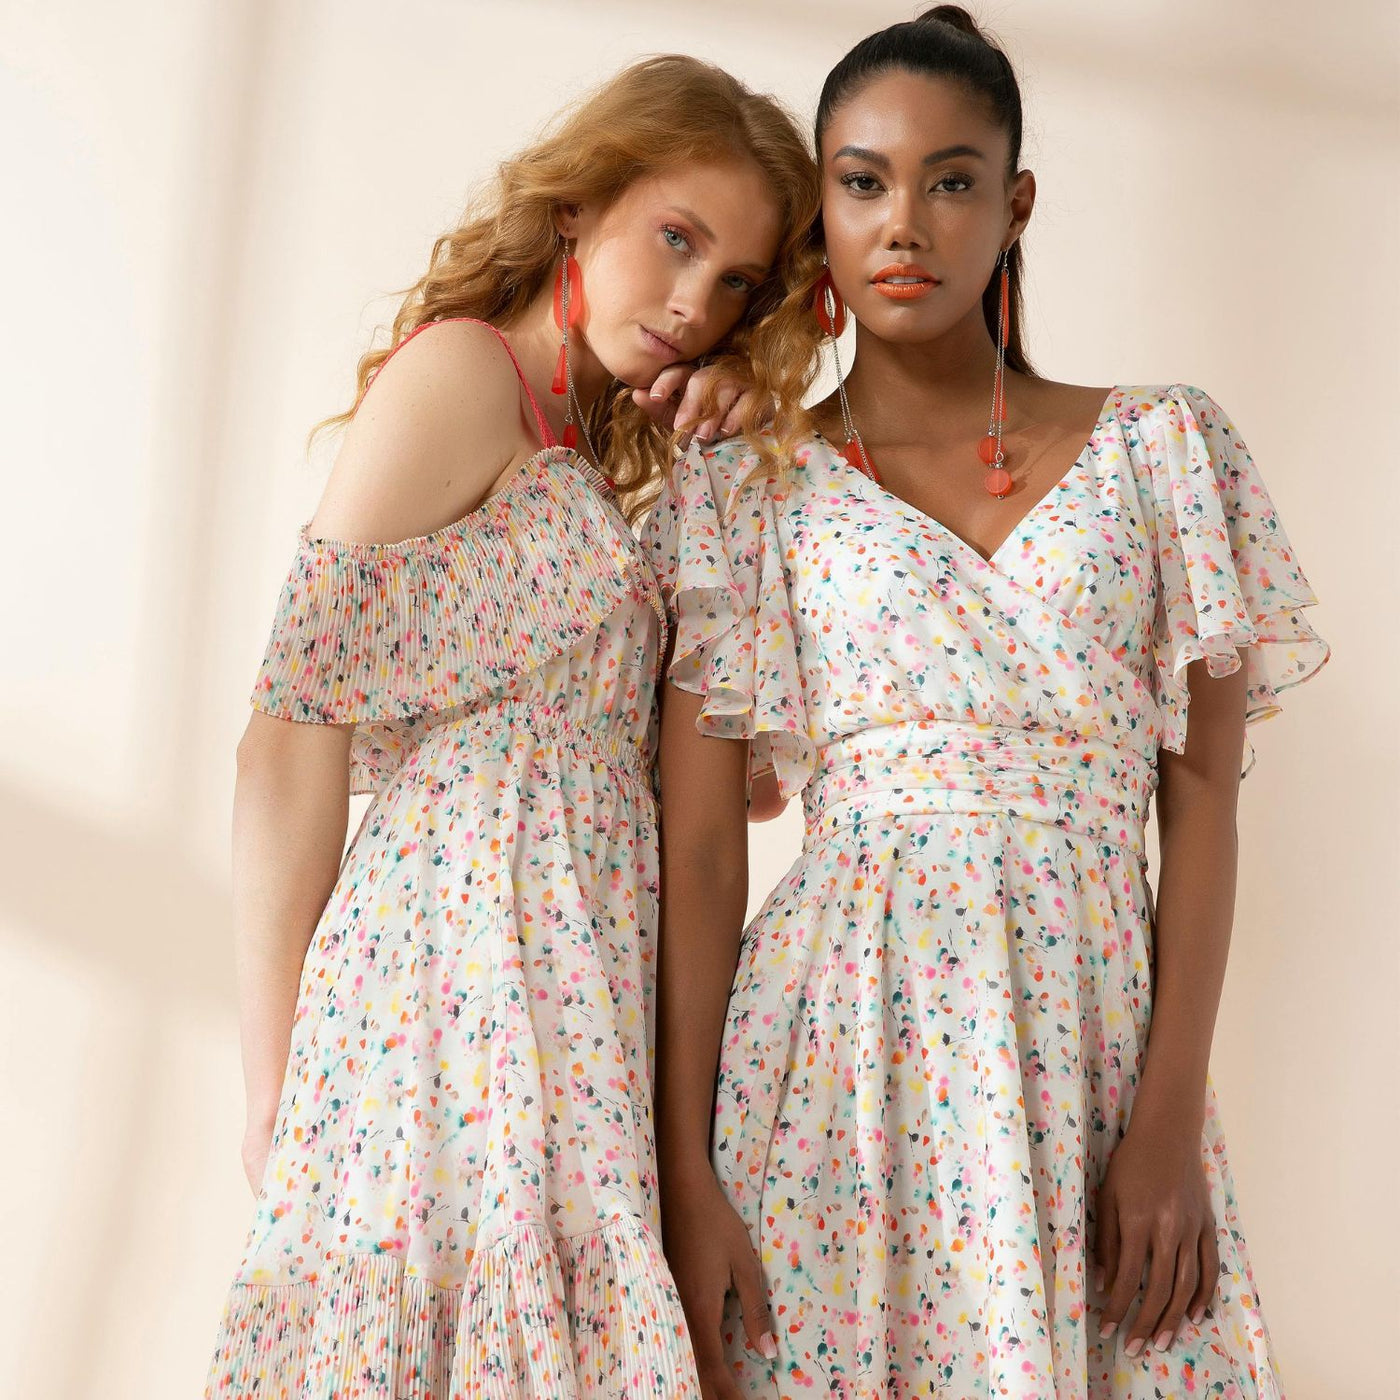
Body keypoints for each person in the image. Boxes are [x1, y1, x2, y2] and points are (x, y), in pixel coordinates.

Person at [646, 10, 1328, 1398]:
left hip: (1089, 1060)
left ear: (1015, 204)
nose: (907, 222)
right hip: (833, 1062)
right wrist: (685, 1173)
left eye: (952, 181)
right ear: (820, 217)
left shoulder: (1165, 452)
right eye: (863, 181)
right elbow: (705, 855)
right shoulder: (747, 484)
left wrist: (1169, 1122)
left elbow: (1199, 805)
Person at [204, 54, 822, 1399]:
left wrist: (740, 434)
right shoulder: (463, 377)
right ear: (575, 211)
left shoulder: (597, 449)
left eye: (735, 285)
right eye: (676, 239)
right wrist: (274, 1068)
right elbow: (289, 727)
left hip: (575, 979)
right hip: (446, 979)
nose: (690, 304)